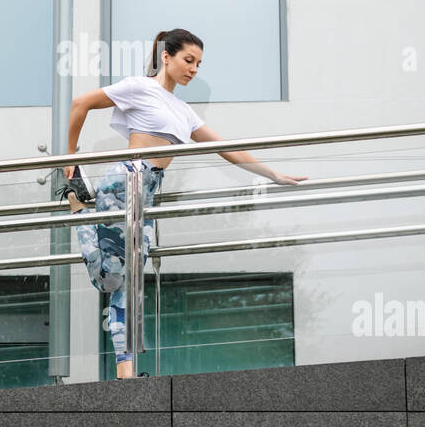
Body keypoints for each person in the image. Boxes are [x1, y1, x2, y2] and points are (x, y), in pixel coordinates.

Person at [59, 28, 308, 379]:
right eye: (188, 60)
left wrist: (273, 175)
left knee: (130, 281)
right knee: (113, 279)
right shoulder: (140, 87)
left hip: (147, 193)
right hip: (126, 181)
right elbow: (80, 103)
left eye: (199, 64)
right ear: (166, 57)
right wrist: (69, 158)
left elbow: (225, 148)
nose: (194, 69)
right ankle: (75, 202)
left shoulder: (184, 111)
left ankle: (125, 372)